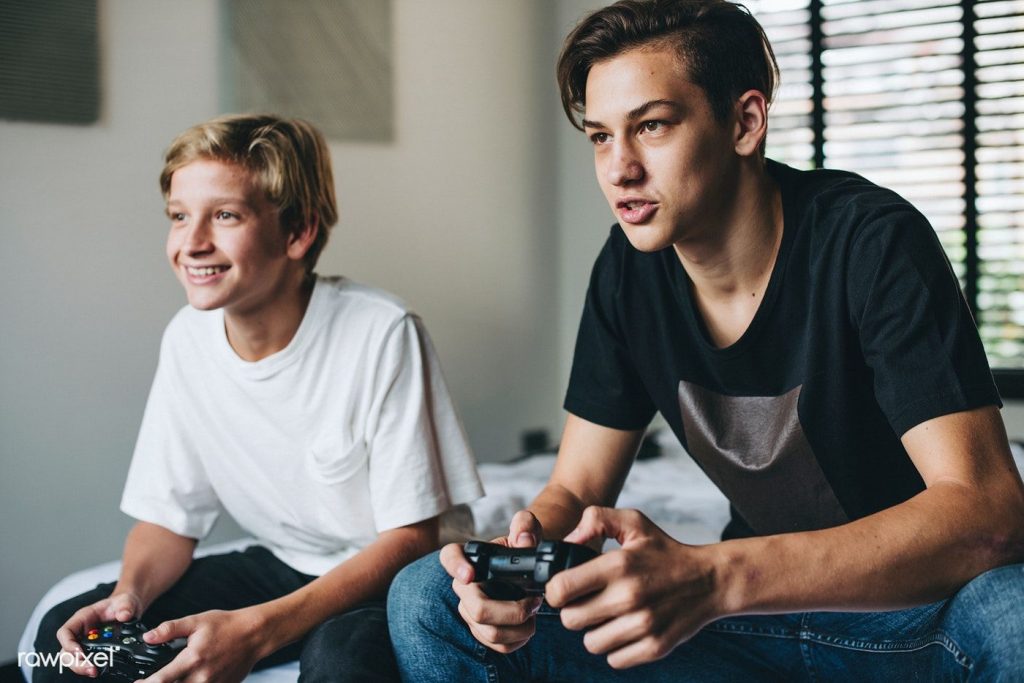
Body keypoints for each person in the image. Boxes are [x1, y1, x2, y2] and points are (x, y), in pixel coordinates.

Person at [387, 1, 1024, 680]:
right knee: (427, 595)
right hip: (739, 633)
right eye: (601, 136)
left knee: (1012, 615)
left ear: (745, 122)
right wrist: (520, 556)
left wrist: (716, 578)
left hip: (911, 621)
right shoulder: (628, 271)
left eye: (652, 126)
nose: (618, 169)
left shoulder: (871, 242)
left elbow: (987, 514)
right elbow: (573, 486)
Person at [33, 114, 483, 682]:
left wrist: (260, 628)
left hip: (390, 577)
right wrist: (128, 599)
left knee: (340, 661)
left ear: (297, 233)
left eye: (225, 216)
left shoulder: (382, 332)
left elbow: (410, 539)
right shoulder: (187, 339)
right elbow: (170, 520)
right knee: (65, 642)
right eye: (178, 217)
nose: (192, 243)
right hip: (283, 564)